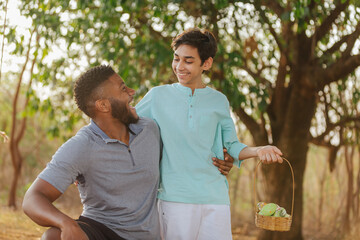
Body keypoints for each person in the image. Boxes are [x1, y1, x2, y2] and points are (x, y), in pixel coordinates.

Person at [22, 65, 234, 240]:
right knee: (53, 237)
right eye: (123, 89)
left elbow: (186, 152)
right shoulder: (82, 146)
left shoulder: (150, 129)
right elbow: (33, 198)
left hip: (149, 235)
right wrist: (65, 223)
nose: (132, 92)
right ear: (103, 105)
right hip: (101, 230)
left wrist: (221, 158)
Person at [135, 28, 284, 240]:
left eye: (188, 60)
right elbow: (124, 125)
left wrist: (259, 150)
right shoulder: (157, 96)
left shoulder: (219, 101)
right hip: (175, 198)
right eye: (176, 59)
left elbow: (231, 144)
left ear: (206, 63)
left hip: (216, 198)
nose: (179, 66)